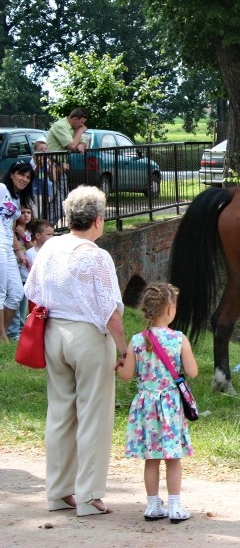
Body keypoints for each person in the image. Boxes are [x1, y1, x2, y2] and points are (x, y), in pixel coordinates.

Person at [24, 185, 126, 516]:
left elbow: (33, 290)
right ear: (97, 220)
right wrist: (124, 349)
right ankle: (89, 494)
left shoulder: (50, 246)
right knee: (94, 416)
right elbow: (111, 310)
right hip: (88, 337)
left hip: (54, 332)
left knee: (60, 414)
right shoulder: (96, 255)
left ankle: (57, 491)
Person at [117, 282, 198, 523]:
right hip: (171, 406)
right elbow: (192, 372)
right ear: (170, 310)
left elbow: (126, 376)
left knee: (151, 458)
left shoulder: (137, 340)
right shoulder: (179, 339)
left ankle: (153, 506)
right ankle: (174, 506)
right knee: (173, 458)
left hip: (146, 406)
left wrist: (120, 365)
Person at [0, 161, 35, 342]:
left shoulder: (16, 198)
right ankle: (4, 338)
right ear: (12, 174)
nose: (25, 179)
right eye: (21, 174)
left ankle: (3, 333)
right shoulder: (1, 188)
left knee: (16, 293)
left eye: (28, 177)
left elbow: (11, 226)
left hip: (8, 247)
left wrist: (19, 252)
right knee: (1, 292)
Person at [46, 107, 88, 211]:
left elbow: (82, 142)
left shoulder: (74, 128)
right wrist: (80, 132)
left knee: (63, 201)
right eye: (81, 123)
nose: (82, 126)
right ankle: (47, 225)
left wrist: (82, 145)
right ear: (75, 119)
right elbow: (71, 145)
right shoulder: (61, 126)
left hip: (62, 166)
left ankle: (51, 225)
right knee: (55, 200)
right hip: (51, 167)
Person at [8, 206, 34, 340]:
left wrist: (24, 236)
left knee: (23, 302)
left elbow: (33, 248)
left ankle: (21, 328)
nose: (25, 215)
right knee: (15, 299)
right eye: (22, 212)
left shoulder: (31, 231)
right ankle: (14, 331)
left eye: (28, 212)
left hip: (26, 271)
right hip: (14, 268)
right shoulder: (11, 231)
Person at [31, 140, 58, 220]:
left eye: (45, 149)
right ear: (35, 151)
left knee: (43, 215)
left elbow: (54, 179)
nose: (43, 150)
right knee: (35, 215)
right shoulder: (33, 161)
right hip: (37, 192)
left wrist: (52, 167)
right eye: (41, 149)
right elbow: (34, 174)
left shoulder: (47, 161)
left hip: (47, 192)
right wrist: (39, 164)